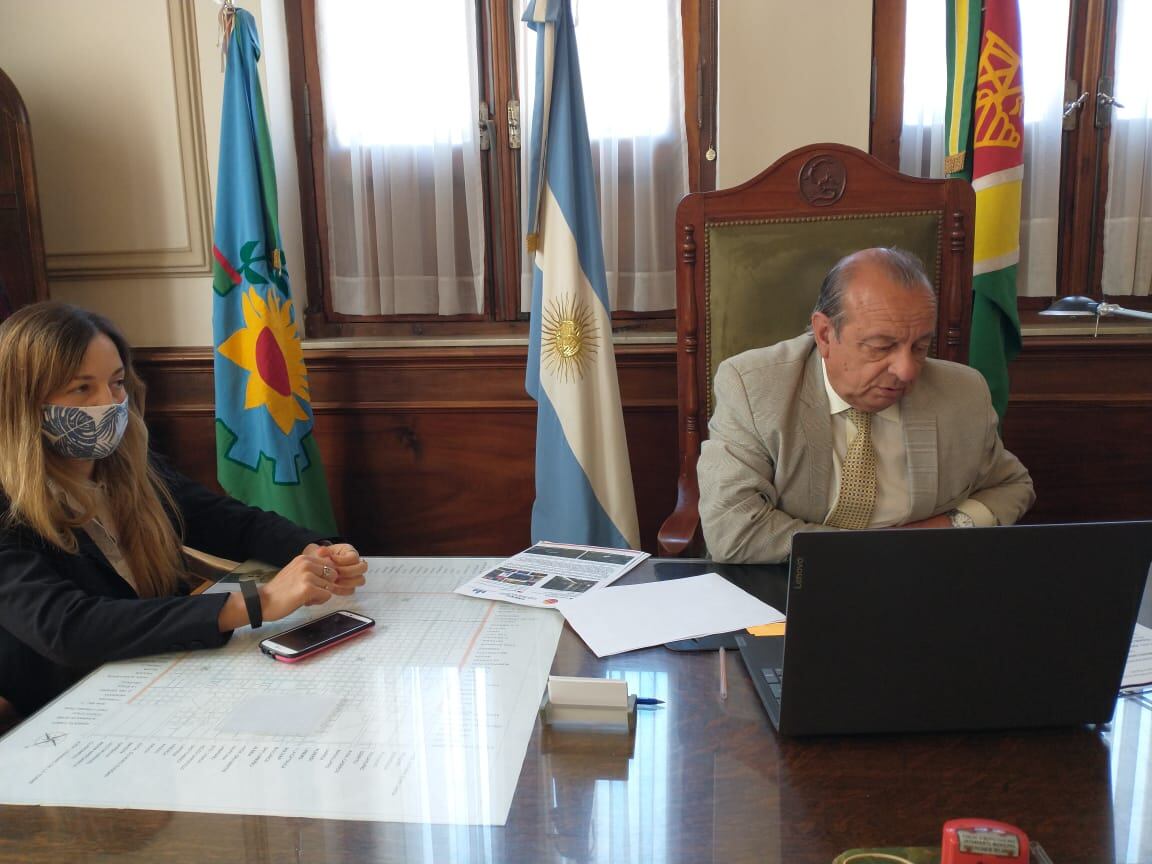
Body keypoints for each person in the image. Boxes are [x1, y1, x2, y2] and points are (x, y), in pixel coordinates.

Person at [0, 302, 368, 718]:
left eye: (117, 383)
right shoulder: (6, 504)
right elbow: (68, 628)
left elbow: (232, 523)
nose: (109, 403)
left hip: (162, 682)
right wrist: (256, 602)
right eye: (82, 388)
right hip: (67, 714)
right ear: (23, 401)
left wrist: (315, 552)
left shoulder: (133, 469)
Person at [698, 247, 1035, 563]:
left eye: (919, 346)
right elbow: (733, 530)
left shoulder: (962, 392)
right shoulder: (754, 387)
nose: (906, 371)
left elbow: (1011, 485)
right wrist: (869, 554)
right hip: (795, 579)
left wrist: (946, 529)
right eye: (881, 346)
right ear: (826, 334)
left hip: (922, 575)